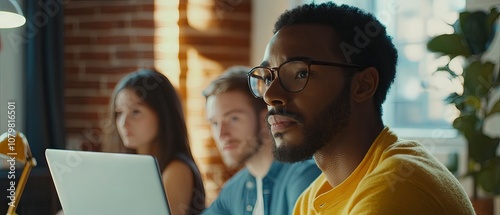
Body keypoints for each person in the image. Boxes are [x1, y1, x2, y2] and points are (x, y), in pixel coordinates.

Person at [246, 2, 475, 215]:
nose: (270, 95)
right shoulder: (312, 199)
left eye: (300, 73)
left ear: (363, 85)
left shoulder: (395, 189)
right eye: (268, 78)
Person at [201, 66, 321, 215]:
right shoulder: (233, 190)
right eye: (214, 123)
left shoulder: (303, 176)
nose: (221, 134)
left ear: (266, 119)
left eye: (233, 118)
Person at [103, 68, 205, 215]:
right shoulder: (129, 166)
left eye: (135, 112)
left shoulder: (177, 169)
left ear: (162, 115)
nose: (124, 123)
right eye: (119, 113)